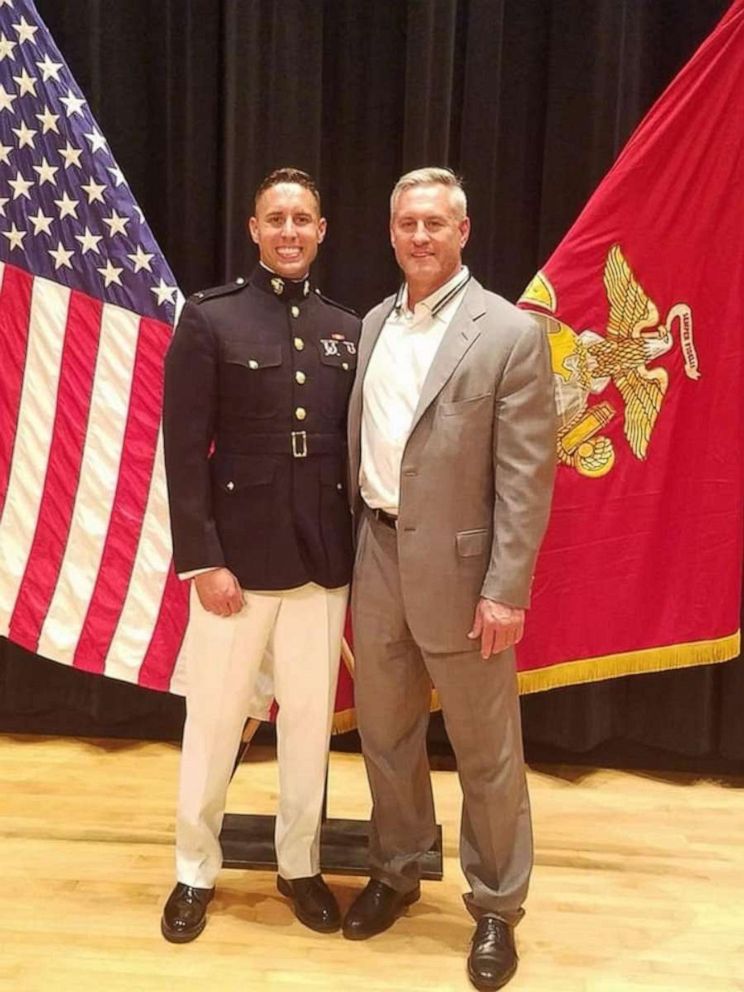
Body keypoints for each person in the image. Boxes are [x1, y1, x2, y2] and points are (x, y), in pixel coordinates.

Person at [344, 167, 556, 991]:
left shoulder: (508, 333)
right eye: (408, 224)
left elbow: (527, 477)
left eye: (436, 223)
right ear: (392, 232)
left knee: (485, 751)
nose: (420, 237)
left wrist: (507, 586)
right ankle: (396, 870)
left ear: (463, 231)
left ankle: (497, 907)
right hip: (379, 558)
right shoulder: (372, 325)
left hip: (468, 580)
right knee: (387, 737)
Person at [161, 167, 360, 942]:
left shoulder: (346, 326)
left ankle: (300, 865)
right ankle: (193, 869)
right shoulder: (211, 320)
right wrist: (202, 560)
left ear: (321, 230)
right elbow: (182, 453)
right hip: (234, 566)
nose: (288, 231)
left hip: (321, 562)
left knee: (309, 724)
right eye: (275, 218)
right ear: (253, 229)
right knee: (213, 722)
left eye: (302, 219)